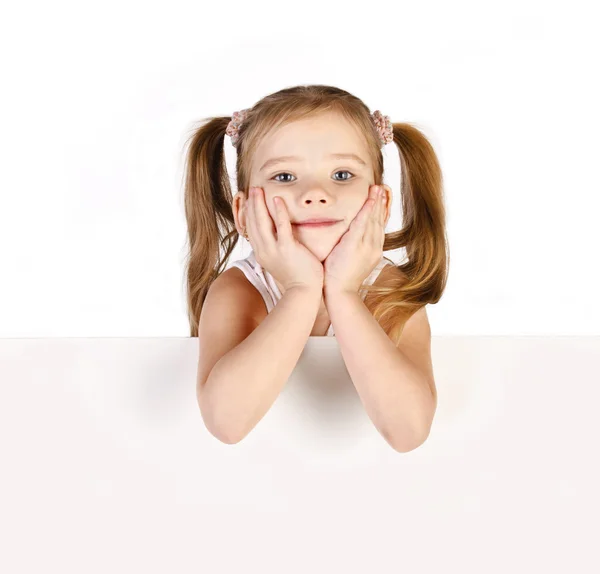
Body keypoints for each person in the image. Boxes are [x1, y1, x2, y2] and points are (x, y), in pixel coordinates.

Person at [183, 84, 448, 447]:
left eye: (342, 175)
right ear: (243, 212)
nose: (315, 193)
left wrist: (343, 293)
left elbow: (408, 432)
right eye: (285, 176)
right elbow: (227, 423)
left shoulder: (389, 291)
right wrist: (302, 289)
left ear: (382, 204)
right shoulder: (240, 290)